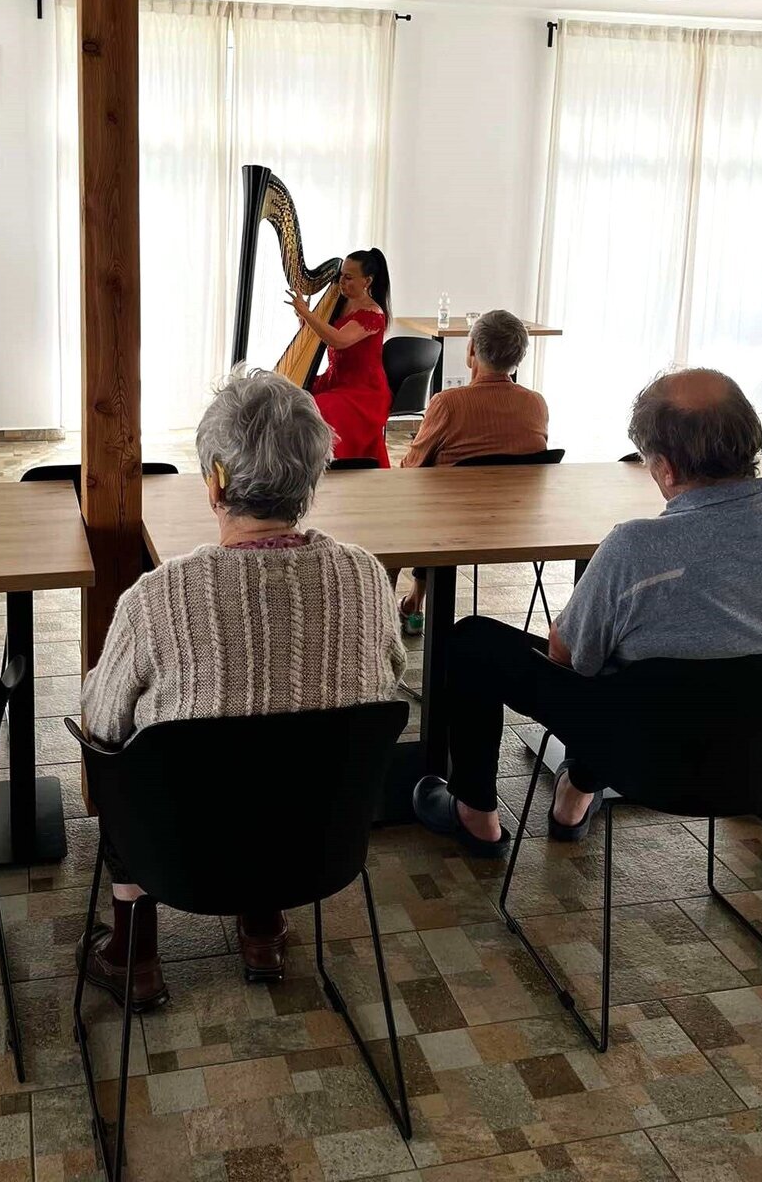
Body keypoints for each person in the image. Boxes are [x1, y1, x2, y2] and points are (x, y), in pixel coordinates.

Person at [413, 368, 762, 858]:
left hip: (644, 764)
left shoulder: (636, 547)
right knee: (641, 657)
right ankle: (577, 793)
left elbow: (568, 658)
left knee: (478, 643)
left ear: (666, 468)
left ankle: (477, 816)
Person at [76, 369, 405, 1009]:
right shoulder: (366, 578)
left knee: (122, 761)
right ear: (311, 480)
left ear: (216, 482)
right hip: (318, 842)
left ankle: (134, 956)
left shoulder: (157, 598)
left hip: (182, 852)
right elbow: (389, 677)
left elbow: (104, 720)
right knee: (288, 746)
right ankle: (262, 925)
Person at [397, 310, 549, 633]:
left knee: (407, 505)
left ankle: (391, 610)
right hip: (519, 524)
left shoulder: (447, 403)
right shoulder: (536, 403)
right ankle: (414, 599)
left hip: (449, 527)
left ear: (471, 351)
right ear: (518, 359)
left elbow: (411, 468)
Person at [287, 248, 392, 467]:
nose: (341, 281)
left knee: (317, 407)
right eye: (341, 275)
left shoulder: (372, 314)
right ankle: (294, 463)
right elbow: (321, 335)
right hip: (335, 380)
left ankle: (322, 465)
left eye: (348, 277)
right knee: (289, 393)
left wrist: (307, 313)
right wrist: (303, 317)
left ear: (367, 281)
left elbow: (338, 340)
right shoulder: (340, 302)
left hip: (363, 391)